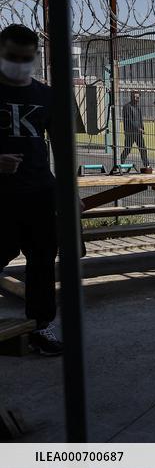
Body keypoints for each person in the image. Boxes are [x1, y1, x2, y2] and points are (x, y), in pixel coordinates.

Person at [0, 24, 65, 356]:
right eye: (12, 57)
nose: (19, 64)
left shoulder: (46, 95)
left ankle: (41, 326)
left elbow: (63, 149)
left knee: (42, 261)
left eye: (26, 58)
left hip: (39, 191)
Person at [120, 90, 151, 170]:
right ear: (131, 97)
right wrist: (138, 128)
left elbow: (140, 119)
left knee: (143, 149)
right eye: (134, 97)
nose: (136, 99)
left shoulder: (138, 107)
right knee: (127, 149)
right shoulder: (127, 107)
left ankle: (146, 165)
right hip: (130, 132)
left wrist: (142, 128)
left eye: (137, 97)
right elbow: (129, 120)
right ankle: (121, 164)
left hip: (138, 133)